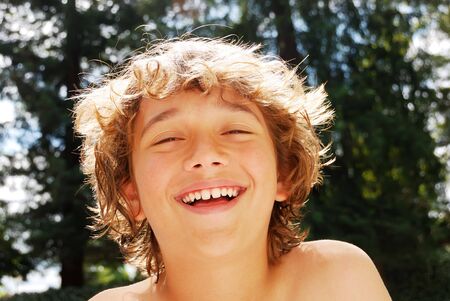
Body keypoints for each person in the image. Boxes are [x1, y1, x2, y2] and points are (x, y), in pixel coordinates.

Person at [74, 37, 392, 301]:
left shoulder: (339, 280)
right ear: (132, 193)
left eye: (236, 131)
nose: (206, 154)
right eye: (168, 138)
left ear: (283, 172)